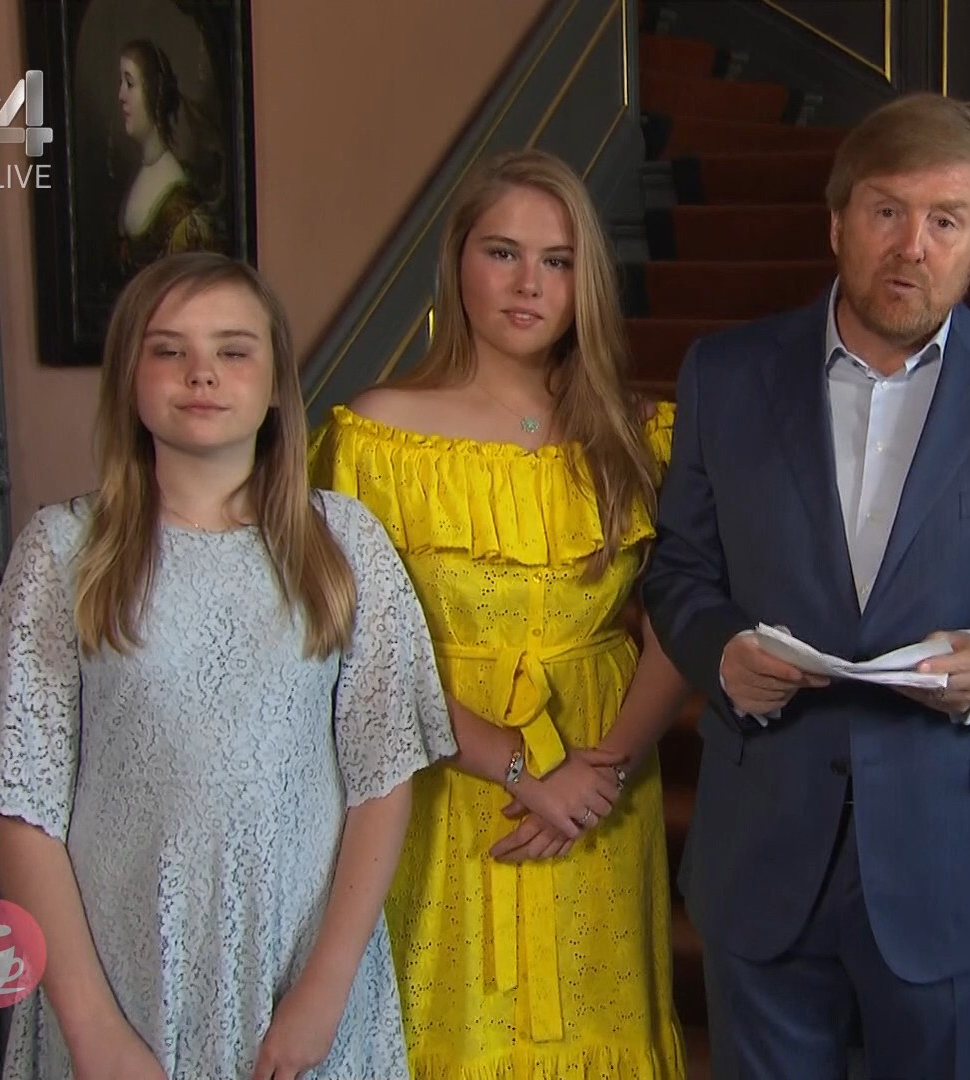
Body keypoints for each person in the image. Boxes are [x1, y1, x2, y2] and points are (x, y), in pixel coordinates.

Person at [641, 92, 970, 1079]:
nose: (912, 245)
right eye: (887, 211)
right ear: (839, 223)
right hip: (764, 850)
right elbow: (680, 569)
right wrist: (721, 653)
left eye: (945, 220)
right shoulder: (725, 374)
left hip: (960, 861)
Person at [0, 251, 455, 1079]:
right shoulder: (63, 552)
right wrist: (92, 1028)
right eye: (168, 350)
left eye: (233, 349)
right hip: (121, 978)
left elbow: (381, 780)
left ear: (275, 381)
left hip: (301, 973)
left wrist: (325, 990)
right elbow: (19, 805)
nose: (202, 373)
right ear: (129, 376)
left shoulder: (344, 546)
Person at [308, 149, 689, 1077]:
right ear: (457, 262)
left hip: (603, 784)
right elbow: (353, 655)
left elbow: (685, 619)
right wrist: (521, 768)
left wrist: (600, 772)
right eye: (503, 253)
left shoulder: (640, 434)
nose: (529, 284)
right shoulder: (376, 433)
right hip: (444, 780)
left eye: (557, 261)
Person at [116, 40, 218, 284]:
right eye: (121, 83)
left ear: (152, 93)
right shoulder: (143, 174)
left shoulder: (181, 204)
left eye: (130, 83)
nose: (121, 95)